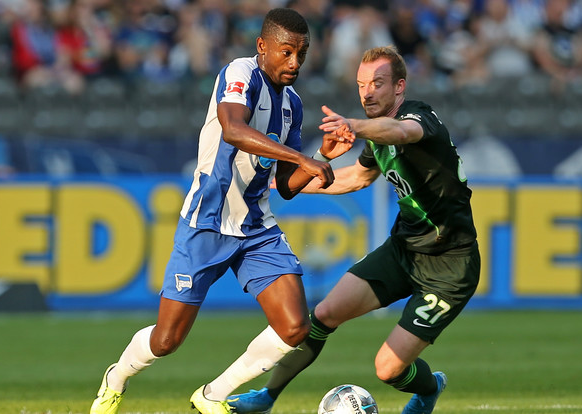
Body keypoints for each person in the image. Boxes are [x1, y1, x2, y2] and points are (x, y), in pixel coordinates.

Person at [90, 8, 353, 414]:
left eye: (301, 53)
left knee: (295, 326)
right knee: (166, 340)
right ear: (262, 46)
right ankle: (117, 377)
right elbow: (232, 129)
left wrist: (319, 155)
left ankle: (213, 395)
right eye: (286, 52)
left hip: (255, 225)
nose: (295, 62)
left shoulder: (293, 105)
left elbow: (284, 186)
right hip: (207, 221)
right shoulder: (240, 73)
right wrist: (302, 158)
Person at [228, 45, 480, 414]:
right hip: (404, 250)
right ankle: (266, 397)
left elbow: (401, 131)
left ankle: (429, 388)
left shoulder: (418, 118)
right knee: (324, 313)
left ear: (399, 87)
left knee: (389, 369)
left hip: (450, 268)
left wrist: (355, 126)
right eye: (362, 84)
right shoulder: (377, 135)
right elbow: (356, 178)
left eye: (378, 83)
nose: (367, 92)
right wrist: (279, 185)